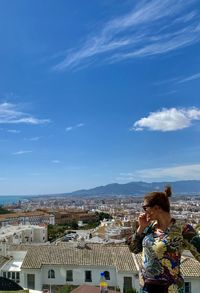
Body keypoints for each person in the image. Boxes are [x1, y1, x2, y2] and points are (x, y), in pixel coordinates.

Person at [128, 186, 200, 293]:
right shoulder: (149, 227)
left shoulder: (183, 229)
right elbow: (133, 249)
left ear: (157, 208)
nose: (144, 211)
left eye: (145, 207)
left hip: (170, 288)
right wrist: (141, 227)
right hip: (146, 288)